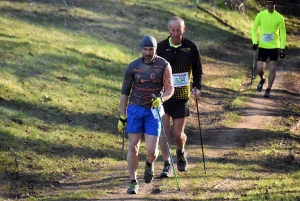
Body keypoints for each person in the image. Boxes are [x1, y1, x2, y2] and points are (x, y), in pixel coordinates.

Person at [118, 35, 174, 194]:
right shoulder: (133, 66)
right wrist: (122, 116)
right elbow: (124, 93)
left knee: (151, 151)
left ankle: (149, 164)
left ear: (155, 49)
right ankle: (133, 181)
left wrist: (161, 99)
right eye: (145, 49)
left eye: (150, 49)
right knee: (133, 146)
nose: (148, 53)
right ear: (141, 49)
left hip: (153, 111)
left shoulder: (164, 65)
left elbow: (170, 89)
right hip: (135, 109)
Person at [156, 16, 203, 177]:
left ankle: (181, 151)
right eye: (173, 30)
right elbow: (155, 69)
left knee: (177, 134)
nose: (176, 33)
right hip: (164, 96)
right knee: (164, 130)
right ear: (168, 31)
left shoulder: (191, 47)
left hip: (182, 95)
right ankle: (167, 164)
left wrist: (197, 87)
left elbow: (197, 70)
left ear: (184, 29)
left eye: (179, 30)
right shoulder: (161, 48)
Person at [251, 0, 286, 98]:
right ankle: (262, 78)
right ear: (266, 4)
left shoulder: (279, 17)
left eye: (272, 4)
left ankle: (268, 89)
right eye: (268, 4)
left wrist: (282, 48)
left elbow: (283, 34)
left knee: (272, 68)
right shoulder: (260, 15)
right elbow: (254, 29)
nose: (270, 6)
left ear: (275, 5)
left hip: (274, 46)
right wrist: (254, 42)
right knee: (259, 69)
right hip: (262, 46)